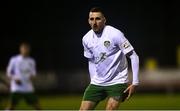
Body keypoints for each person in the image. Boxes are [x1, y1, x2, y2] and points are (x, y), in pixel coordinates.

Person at [80, 7, 139, 110]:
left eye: (98, 19)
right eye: (92, 19)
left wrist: (135, 83)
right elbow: (91, 61)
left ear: (104, 20)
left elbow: (134, 56)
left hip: (117, 81)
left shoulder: (115, 34)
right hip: (97, 82)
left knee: (110, 109)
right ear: (88, 21)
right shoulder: (86, 39)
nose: (94, 22)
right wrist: (92, 80)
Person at [6, 42, 41, 110]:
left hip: (28, 88)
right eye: (24, 48)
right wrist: (15, 78)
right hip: (17, 88)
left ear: (29, 50)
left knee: (38, 107)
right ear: (20, 49)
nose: (25, 50)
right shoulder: (14, 59)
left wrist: (32, 77)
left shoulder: (32, 61)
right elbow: (8, 72)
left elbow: (33, 72)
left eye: (27, 49)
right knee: (11, 107)